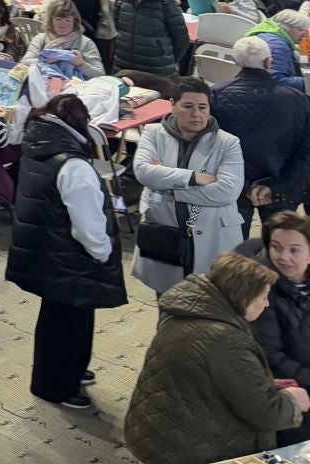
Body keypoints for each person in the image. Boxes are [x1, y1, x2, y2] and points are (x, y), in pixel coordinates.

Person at [125, 250, 308, 464]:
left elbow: (208, 374)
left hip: (155, 428)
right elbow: (265, 414)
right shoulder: (227, 342)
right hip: (192, 449)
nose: (267, 304)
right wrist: (293, 401)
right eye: (263, 297)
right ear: (244, 297)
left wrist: (260, 382)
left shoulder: (188, 310)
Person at [5, 96, 125, 410]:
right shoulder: (74, 166)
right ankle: (57, 386)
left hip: (47, 249)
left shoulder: (38, 146)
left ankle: (68, 371)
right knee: (67, 326)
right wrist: (103, 253)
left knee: (60, 320)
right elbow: (88, 225)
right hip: (70, 258)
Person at [134, 77, 246, 295]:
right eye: (188, 106)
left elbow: (227, 191)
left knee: (209, 307)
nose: (197, 113)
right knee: (167, 303)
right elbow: (143, 171)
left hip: (213, 236)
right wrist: (195, 177)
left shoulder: (228, 143)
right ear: (173, 106)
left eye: (202, 107)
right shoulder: (153, 133)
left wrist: (167, 187)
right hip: (165, 233)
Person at [212, 35, 310, 234]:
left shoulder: (214, 95)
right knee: (278, 252)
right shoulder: (297, 100)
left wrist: (246, 185)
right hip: (282, 188)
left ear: (236, 62)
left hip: (233, 188)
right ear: (268, 62)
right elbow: (306, 152)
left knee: (234, 251)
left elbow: (209, 148)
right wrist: (275, 186)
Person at [250, 208, 310, 444]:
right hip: (290, 389)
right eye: (276, 247)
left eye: (294, 250)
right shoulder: (261, 290)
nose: (283, 256)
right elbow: (270, 354)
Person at [113, 0, 191, 84]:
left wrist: (167, 58)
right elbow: (117, 26)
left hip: (157, 70)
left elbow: (181, 39)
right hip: (124, 66)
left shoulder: (166, 4)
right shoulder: (121, 0)